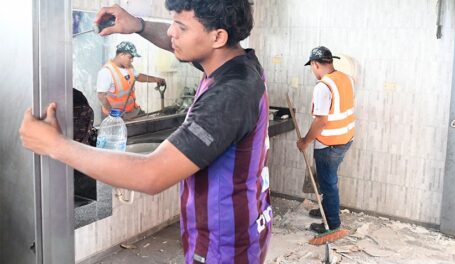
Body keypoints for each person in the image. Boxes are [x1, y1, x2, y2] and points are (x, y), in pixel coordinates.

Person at [20, 1, 271, 263]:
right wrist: (137, 25)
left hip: (225, 247)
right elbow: (180, 40)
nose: (172, 32)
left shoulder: (229, 93)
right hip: (247, 225)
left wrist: (55, 145)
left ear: (218, 36)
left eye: (181, 27)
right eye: (173, 22)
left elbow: (152, 174)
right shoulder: (238, 63)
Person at [297, 46, 355, 234]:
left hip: (329, 144)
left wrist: (305, 141)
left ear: (315, 64)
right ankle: (326, 209)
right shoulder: (346, 79)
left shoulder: (324, 86)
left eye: (312, 67)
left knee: (328, 183)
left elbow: (321, 120)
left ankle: (332, 223)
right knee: (328, 181)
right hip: (345, 139)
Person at [97, 41, 166, 120]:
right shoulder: (106, 72)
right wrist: (112, 113)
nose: (132, 60)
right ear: (121, 55)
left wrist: (156, 79)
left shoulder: (129, 67)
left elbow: (138, 76)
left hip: (132, 111)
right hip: (116, 115)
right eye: (130, 57)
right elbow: (101, 95)